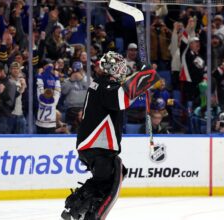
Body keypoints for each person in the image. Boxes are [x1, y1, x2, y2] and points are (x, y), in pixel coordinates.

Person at [61, 51, 159, 220]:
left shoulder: (100, 85)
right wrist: (144, 77)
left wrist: (142, 76)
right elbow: (122, 99)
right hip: (98, 147)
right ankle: (93, 215)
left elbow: (124, 94)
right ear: (112, 68)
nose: (123, 69)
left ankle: (77, 205)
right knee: (116, 175)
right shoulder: (105, 86)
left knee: (104, 181)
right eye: (120, 66)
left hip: (92, 146)